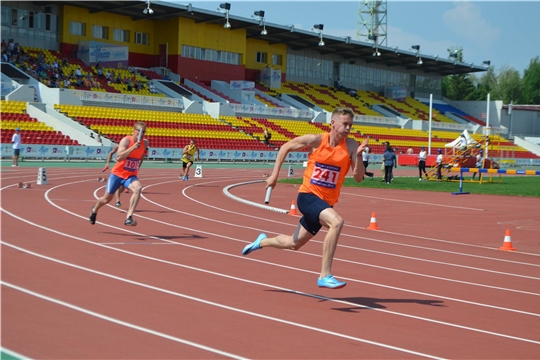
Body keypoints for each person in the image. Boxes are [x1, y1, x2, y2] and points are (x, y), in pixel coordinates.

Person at [241, 107, 369, 289]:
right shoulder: (316, 140)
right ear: (333, 123)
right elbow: (285, 147)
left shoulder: (352, 146)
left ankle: (261, 241)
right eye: (345, 124)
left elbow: (358, 178)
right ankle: (325, 275)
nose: (348, 128)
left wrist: (358, 157)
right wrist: (274, 175)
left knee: (294, 243)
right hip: (308, 196)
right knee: (337, 222)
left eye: (351, 125)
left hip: (325, 203)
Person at [90, 122, 148, 226]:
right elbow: (118, 157)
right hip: (117, 175)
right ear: (134, 131)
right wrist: (133, 148)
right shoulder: (126, 141)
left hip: (130, 175)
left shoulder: (145, 143)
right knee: (106, 199)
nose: (141, 134)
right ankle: (94, 209)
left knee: (138, 188)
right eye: (139, 131)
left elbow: (141, 155)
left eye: (143, 132)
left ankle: (129, 217)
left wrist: (138, 164)